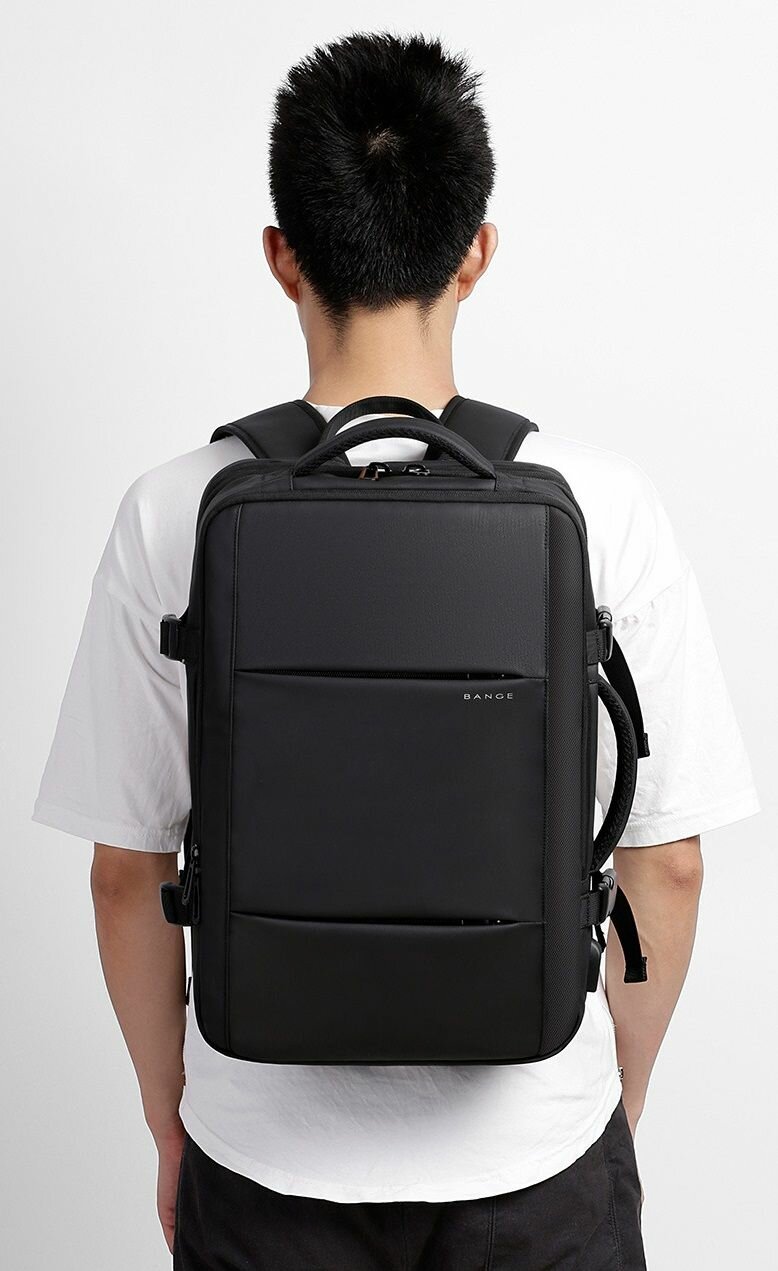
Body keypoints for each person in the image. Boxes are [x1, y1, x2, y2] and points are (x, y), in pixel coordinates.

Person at [33, 31, 761, 1271]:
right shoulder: (604, 504)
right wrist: (610, 1104)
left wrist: (170, 1121)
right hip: (538, 1163)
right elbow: (670, 864)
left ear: (282, 253)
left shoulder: (170, 510)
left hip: (264, 1167)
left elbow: (125, 873)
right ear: (476, 249)